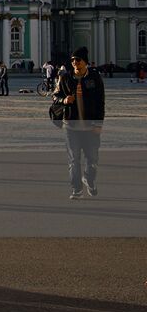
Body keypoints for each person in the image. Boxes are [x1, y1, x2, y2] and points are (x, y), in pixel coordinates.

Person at [55, 46, 105, 200]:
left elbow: (100, 102)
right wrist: (64, 100)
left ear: (85, 62)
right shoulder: (65, 78)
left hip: (91, 127)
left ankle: (89, 179)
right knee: (73, 160)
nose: (75, 62)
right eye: (72, 60)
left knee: (92, 159)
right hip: (71, 126)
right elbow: (55, 97)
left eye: (78, 60)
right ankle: (76, 189)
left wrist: (98, 124)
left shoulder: (95, 78)